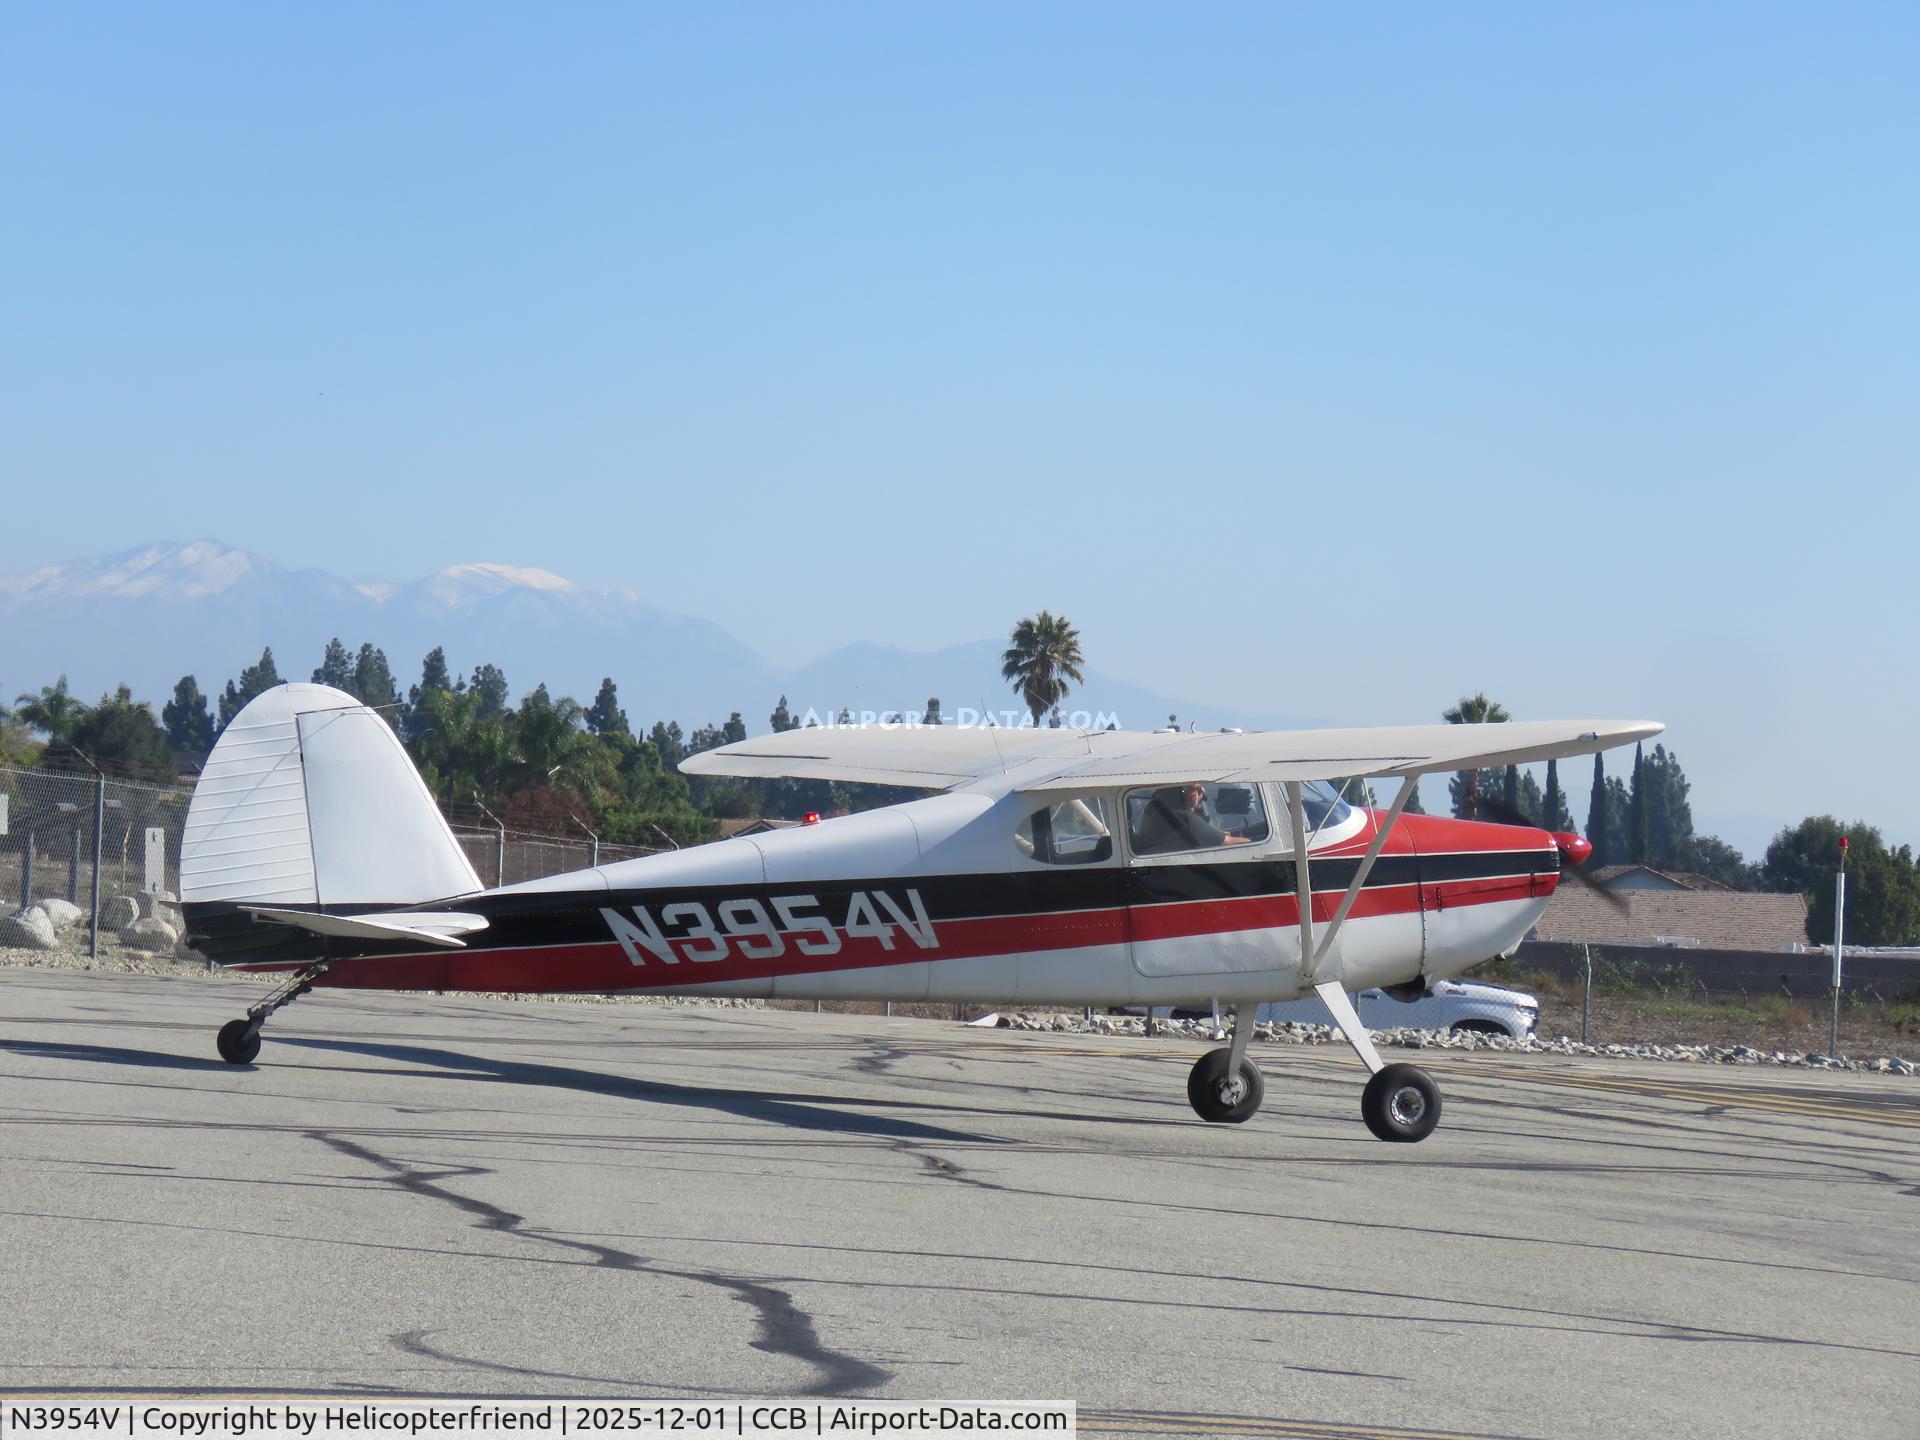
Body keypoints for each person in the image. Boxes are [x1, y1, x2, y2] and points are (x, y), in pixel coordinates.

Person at [1133, 783, 1251, 854]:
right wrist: (1251, 841)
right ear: (1188, 794)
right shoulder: (1186, 819)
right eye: (1197, 790)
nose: (1200, 794)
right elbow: (1230, 843)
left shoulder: (1157, 811)